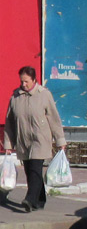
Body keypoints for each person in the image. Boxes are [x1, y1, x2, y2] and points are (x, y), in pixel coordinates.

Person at [3, 66, 65, 212]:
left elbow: (54, 119)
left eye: (26, 82)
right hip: (23, 140)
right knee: (29, 170)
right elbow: (9, 122)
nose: (23, 85)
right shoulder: (15, 97)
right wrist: (8, 143)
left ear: (34, 79)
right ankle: (40, 200)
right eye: (22, 82)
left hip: (40, 139)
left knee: (36, 169)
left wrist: (60, 140)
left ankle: (29, 199)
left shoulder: (44, 95)